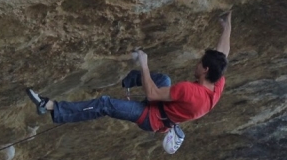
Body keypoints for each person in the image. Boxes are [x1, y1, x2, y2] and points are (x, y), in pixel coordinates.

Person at [27, 11, 231, 138]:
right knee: (164, 81)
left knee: (105, 104)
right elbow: (222, 54)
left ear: (205, 70)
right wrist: (227, 27)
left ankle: (50, 107)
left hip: (150, 117)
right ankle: (128, 80)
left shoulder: (189, 91)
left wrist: (144, 64)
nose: (196, 64)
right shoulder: (215, 84)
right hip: (163, 109)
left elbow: (151, 96)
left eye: (199, 63)